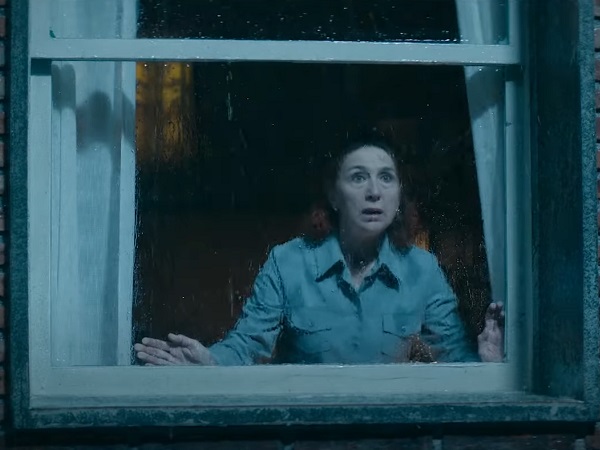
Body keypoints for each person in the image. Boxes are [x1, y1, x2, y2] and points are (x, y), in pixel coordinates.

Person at [135, 132, 504, 366]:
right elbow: (247, 344)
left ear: (398, 197)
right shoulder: (288, 262)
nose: (374, 192)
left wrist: (488, 364)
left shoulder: (422, 269)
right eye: (358, 177)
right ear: (333, 195)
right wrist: (208, 362)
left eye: (386, 178)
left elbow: (456, 360)